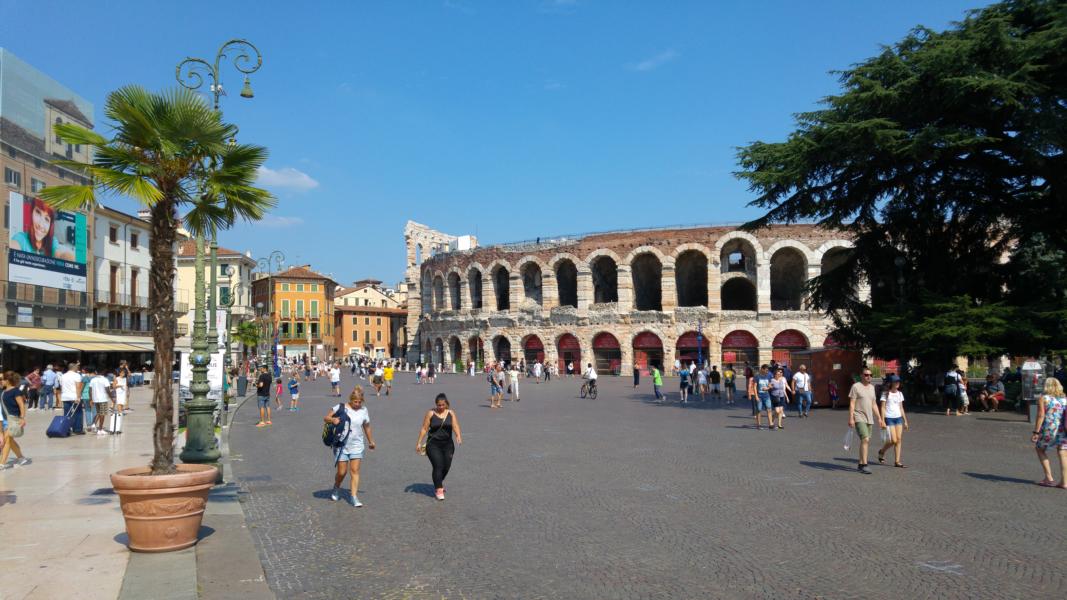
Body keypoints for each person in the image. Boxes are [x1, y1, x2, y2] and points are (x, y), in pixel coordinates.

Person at [324, 387, 375, 507]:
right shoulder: (340, 407)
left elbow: (366, 426)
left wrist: (371, 441)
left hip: (357, 445)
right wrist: (333, 419)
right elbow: (325, 418)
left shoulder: (364, 410)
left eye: (359, 402)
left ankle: (353, 497)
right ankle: (336, 487)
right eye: (355, 402)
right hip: (342, 445)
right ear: (350, 400)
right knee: (342, 472)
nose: (357, 404)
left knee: (355, 471)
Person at [416, 393, 463, 501]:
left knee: (446, 466)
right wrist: (419, 442)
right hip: (433, 445)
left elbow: (455, 425)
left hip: (448, 444)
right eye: (438, 405)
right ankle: (439, 489)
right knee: (438, 465)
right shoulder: (430, 413)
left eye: (442, 405)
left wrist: (458, 435)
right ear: (436, 404)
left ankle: (438, 481)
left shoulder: (451, 413)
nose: (441, 407)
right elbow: (424, 428)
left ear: (446, 404)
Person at [1031, 378, 1066, 488]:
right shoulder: (1064, 399)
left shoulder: (1044, 398)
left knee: (1040, 448)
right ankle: (1064, 482)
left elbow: (1041, 415)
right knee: (1063, 453)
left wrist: (1036, 432)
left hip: (1049, 428)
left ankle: (1049, 478)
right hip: (1063, 429)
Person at [848, 368, 882, 474]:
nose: (869, 377)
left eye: (870, 375)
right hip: (859, 416)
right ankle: (864, 465)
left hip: (869, 418)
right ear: (861, 375)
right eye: (866, 375)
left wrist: (879, 417)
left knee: (865, 441)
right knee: (865, 439)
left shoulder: (872, 388)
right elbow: (852, 403)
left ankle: (860, 463)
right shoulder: (856, 386)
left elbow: (874, 404)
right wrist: (851, 418)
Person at [876, 375, 909, 468]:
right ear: (891, 383)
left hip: (898, 418)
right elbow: (882, 407)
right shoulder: (885, 393)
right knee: (893, 440)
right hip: (889, 418)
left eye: (898, 381)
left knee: (898, 440)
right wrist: (882, 420)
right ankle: (882, 451)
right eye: (895, 382)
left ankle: (897, 461)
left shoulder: (900, 394)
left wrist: (905, 421)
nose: (897, 383)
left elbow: (901, 408)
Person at [0, 371, 30, 469]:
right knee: (10, 440)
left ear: (7, 380)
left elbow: (21, 405)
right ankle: (21, 458)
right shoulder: (4, 391)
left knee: (7, 439)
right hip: (5, 419)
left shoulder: (16, 391)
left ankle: (2, 463)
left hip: (13, 418)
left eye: (2, 380)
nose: (1, 381)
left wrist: (22, 418)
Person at [59, 362, 85, 435]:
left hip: (65, 397)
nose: (78, 369)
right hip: (74, 396)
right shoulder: (77, 375)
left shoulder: (63, 376)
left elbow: (62, 387)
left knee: (67, 413)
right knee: (78, 413)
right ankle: (77, 429)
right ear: (74, 368)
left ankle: (66, 429)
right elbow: (78, 387)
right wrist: (78, 397)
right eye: (77, 367)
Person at [88, 367, 111, 436]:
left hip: (95, 399)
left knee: (98, 412)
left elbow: (90, 390)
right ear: (103, 372)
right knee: (102, 414)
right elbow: (107, 389)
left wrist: (91, 399)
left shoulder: (93, 380)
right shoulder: (105, 380)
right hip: (103, 399)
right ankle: (100, 429)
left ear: (96, 372)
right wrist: (111, 397)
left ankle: (93, 424)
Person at [754, 365, 774, 430]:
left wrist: (768, 388)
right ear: (762, 369)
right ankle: (758, 424)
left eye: (767, 370)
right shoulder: (757, 376)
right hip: (759, 395)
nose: (767, 371)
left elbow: (771, 385)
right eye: (766, 370)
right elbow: (754, 387)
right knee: (759, 410)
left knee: (769, 409)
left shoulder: (769, 376)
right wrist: (756, 396)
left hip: (766, 395)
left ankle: (770, 424)